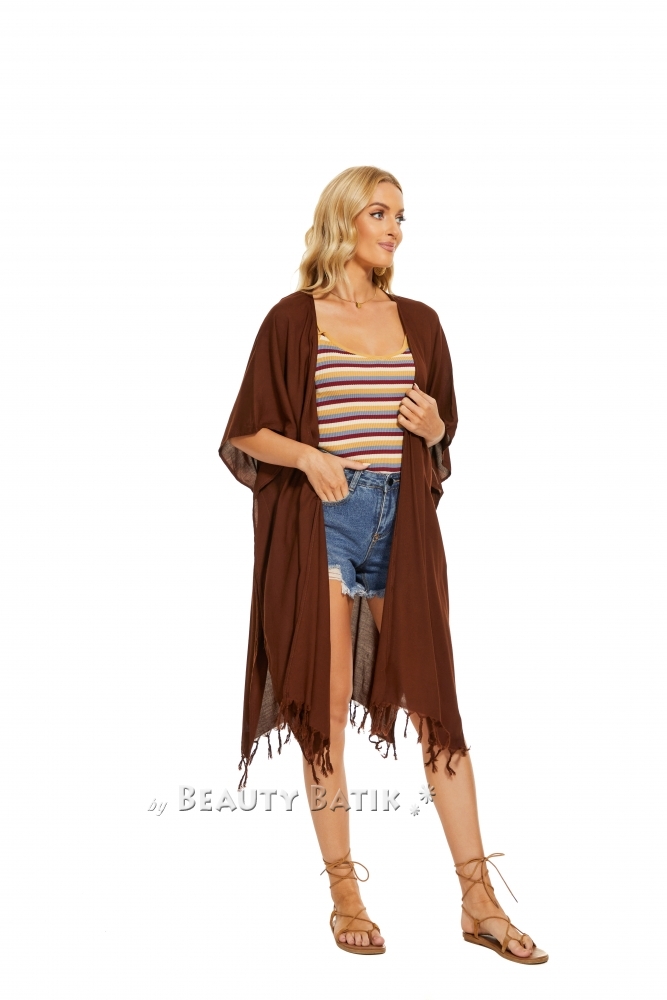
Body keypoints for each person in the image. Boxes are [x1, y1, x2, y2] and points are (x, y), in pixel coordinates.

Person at [221, 166, 547, 964]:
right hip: (322, 524)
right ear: (344, 219)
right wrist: (307, 456)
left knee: (437, 708)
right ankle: (345, 893)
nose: (395, 228)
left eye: (401, 215)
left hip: (402, 524)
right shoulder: (291, 319)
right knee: (325, 706)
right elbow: (246, 430)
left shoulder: (421, 322)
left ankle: (477, 899)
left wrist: (434, 429)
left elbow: (440, 432)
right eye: (379, 212)